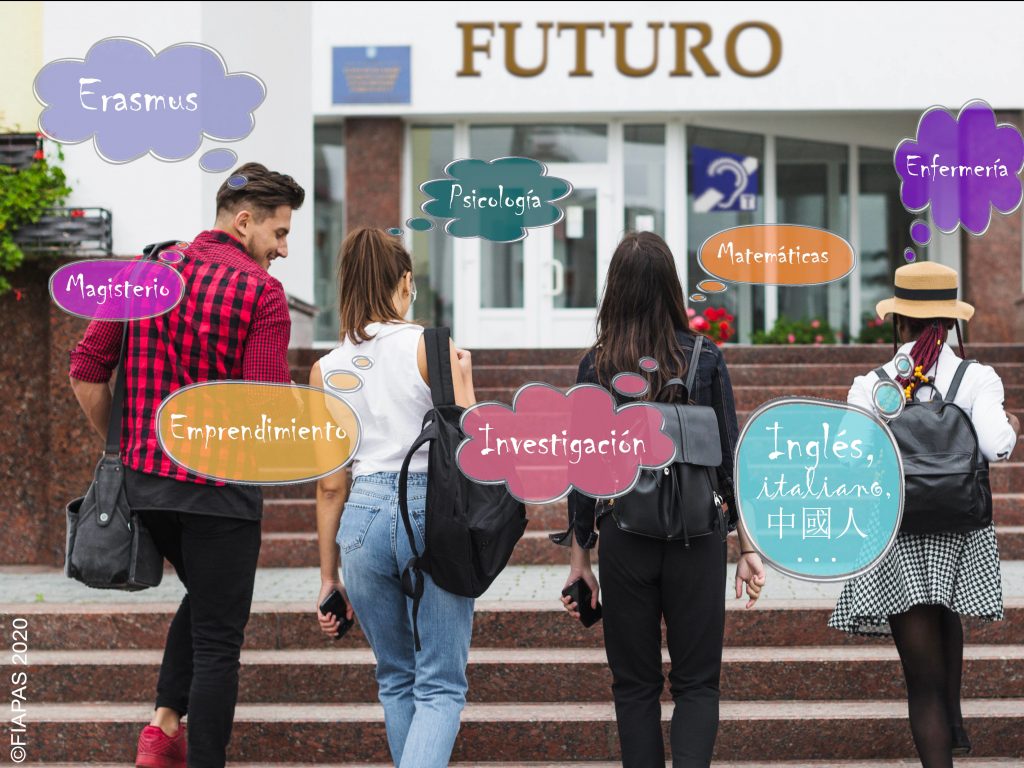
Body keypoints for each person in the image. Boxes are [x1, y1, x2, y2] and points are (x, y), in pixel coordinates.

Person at [69, 162, 305, 768]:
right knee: (220, 640)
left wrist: (122, 446)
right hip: (221, 491)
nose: (283, 249)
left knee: (206, 598)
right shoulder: (260, 292)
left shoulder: (147, 271)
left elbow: (86, 368)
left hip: (147, 486)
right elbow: (263, 406)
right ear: (244, 220)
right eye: (278, 233)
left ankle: (161, 731)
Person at [554, 231, 767, 768]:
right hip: (698, 537)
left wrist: (580, 562)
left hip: (626, 538)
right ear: (671, 287)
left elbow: (583, 476)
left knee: (634, 685)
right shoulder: (705, 358)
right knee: (697, 684)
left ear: (615, 291)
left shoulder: (597, 366)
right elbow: (728, 461)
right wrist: (747, 547)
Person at [828, 262, 1020, 767]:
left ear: (899, 323)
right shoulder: (976, 377)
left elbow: (848, 454)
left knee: (922, 688)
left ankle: (942, 728)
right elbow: (997, 447)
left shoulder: (872, 384)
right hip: (961, 529)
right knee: (945, 617)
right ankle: (953, 719)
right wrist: (1011, 424)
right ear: (953, 322)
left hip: (897, 531)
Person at [312, 227, 476, 768]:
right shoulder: (432, 347)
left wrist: (327, 578)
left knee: (396, 677)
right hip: (431, 512)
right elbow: (471, 448)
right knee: (441, 684)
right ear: (404, 283)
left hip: (360, 520)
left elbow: (330, 483)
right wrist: (466, 381)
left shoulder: (326, 369)